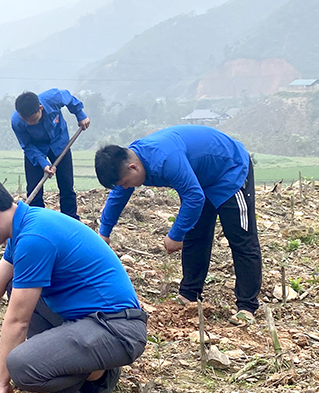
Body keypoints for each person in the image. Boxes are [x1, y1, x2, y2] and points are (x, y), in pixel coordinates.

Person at [0, 167, 147, 393]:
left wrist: (0, 386)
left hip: (118, 329)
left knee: (23, 368)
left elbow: (17, 322)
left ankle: (98, 375)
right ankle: (91, 360)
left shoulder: (34, 238)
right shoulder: (26, 226)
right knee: (15, 286)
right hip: (94, 321)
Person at [94, 124, 262, 326]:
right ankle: (189, 294)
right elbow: (117, 196)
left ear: (133, 167)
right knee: (196, 233)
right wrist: (104, 232)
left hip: (229, 170)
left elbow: (193, 197)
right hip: (199, 178)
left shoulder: (165, 159)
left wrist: (176, 234)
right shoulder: (132, 160)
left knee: (241, 239)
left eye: (125, 182)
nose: (127, 187)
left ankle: (247, 306)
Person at [11, 89, 91, 217]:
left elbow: (69, 98)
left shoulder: (53, 97)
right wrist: (43, 163)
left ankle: (70, 220)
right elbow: (27, 145)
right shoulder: (17, 122)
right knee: (34, 189)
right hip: (36, 150)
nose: (30, 123)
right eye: (26, 121)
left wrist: (80, 114)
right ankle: (37, 221)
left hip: (59, 143)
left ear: (40, 108)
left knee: (66, 185)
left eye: (33, 119)